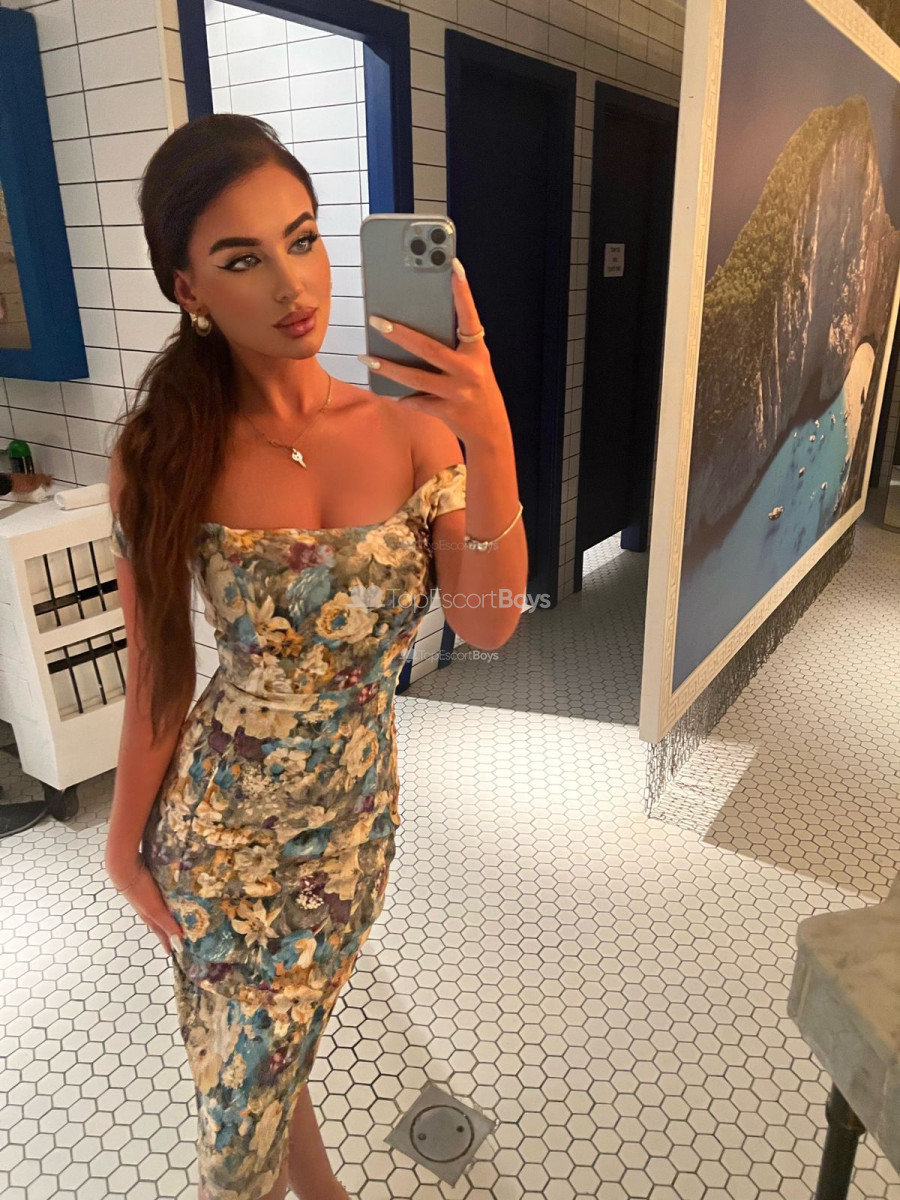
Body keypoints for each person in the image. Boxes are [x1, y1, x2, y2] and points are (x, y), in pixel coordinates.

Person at [103, 113, 526, 1200]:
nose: (293, 283)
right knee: (237, 1139)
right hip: (217, 837)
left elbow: (489, 623)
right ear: (189, 289)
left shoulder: (413, 433)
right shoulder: (161, 455)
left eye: (302, 238)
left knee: (278, 1049)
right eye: (243, 258)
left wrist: (490, 435)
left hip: (352, 825)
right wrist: (121, 844)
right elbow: (158, 673)